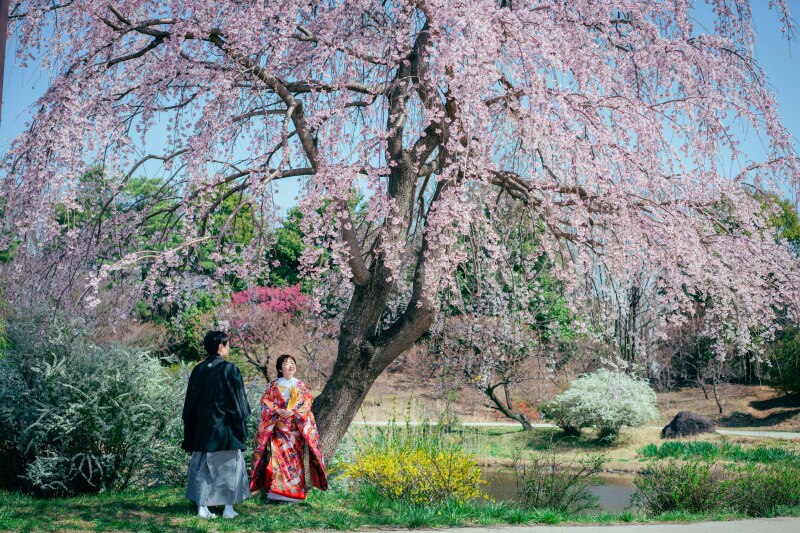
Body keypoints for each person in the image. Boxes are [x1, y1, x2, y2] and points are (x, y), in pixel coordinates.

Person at [182, 331, 251, 519]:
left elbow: (190, 403)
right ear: (220, 347)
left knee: (202, 467)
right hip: (225, 428)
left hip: (202, 429)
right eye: (228, 345)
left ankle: (202, 508)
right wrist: (242, 423)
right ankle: (228, 509)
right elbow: (239, 401)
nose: (229, 348)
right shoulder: (230, 369)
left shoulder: (198, 369)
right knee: (230, 466)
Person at [250, 354, 328, 502]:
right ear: (280, 368)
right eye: (286, 363)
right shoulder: (273, 385)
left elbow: (307, 403)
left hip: (295, 429)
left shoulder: (301, 385)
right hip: (279, 428)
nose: (290, 365)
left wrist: (293, 412)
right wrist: (277, 410)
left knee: (295, 459)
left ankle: (296, 494)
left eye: (292, 362)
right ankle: (277, 492)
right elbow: (265, 401)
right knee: (278, 458)